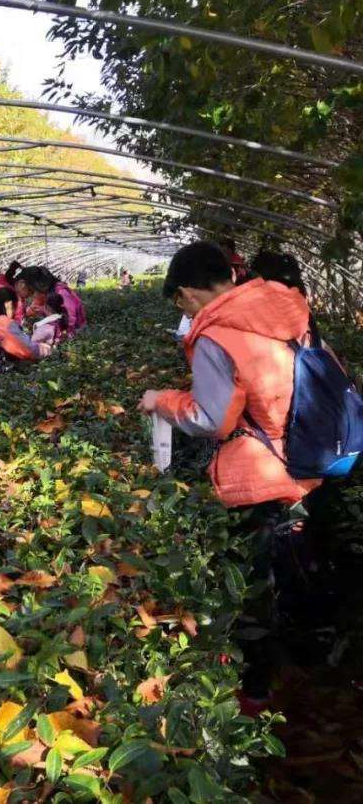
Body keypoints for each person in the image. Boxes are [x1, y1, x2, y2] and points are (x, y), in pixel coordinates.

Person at [136, 241, 324, 711]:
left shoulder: (217, 333)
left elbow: (211, 418)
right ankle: (318, 667)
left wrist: (161, 400)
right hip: (310, 455)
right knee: (298, 565)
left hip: (261, 474)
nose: (184, 313)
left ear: (186, 293)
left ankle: (257, 691)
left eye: (179, 303)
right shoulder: (284, 305)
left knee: (254, 586)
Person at [16, 266, 87, 336]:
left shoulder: (61, 292)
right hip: (58, 323)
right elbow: (35, 307)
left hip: (73, 328)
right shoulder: (41, 293)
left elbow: (71, 316)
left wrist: (68, 333)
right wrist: (25, 315)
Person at [0, 287, 40, 363]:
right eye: (14, 306)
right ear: (8, 304)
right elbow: (27, 349)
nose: (14, 311)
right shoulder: (2, 322)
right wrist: (43, 349)